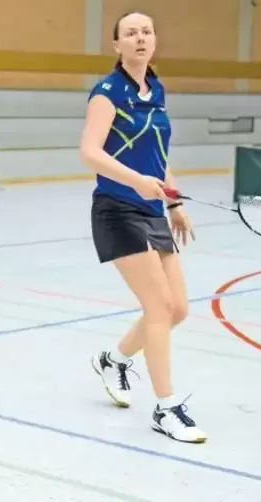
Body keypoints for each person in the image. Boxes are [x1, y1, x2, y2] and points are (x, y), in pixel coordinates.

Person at [80, 11, 206, 444]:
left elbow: (156, 153)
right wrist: (139, 183)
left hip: (153, 210)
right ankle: (166, 408)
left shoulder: (156, 89)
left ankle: (113, 360)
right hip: (117, 209)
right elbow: (89, 153)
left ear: (154, 41)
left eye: (147, 31)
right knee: (158, 308)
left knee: (179, 310)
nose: (140, 38)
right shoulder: (107, 93)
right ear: (116, 45)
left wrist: (173, 201)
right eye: (130, 33)